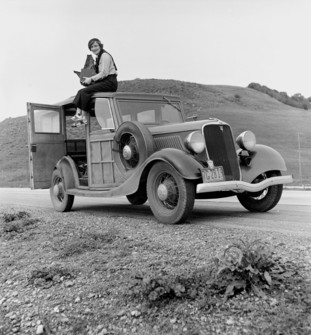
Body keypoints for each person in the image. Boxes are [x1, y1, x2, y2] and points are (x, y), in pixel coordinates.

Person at [72, 38, 118, 127]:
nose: (94, 48)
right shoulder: (98, 57)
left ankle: (82, 117)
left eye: (96, 46)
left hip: (110, 82)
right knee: (83, 91)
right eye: (91, 47)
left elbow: (104, 72)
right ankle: (79, 116)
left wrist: (91, 79)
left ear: (100, 46)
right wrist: (87, 79)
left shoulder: (104, 55)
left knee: (84, 92)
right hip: (104, 81)